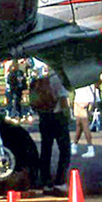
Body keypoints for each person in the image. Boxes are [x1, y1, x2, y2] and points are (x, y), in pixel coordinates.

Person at [29, 62, 71, 192]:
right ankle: (60, 180)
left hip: (45, 116)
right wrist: (68, 116)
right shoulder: (60, 80)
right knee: (64, 150)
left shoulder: (45, 80)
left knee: (46, 149)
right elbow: (63, 101)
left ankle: (45, 180)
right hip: (58, 116)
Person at [72, 83, 98, 158]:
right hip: (89, 99)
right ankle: (74, 145)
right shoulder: (89, 76)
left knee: (84, 125)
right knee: (79, 124)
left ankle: (90, 148)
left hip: (81, 99)